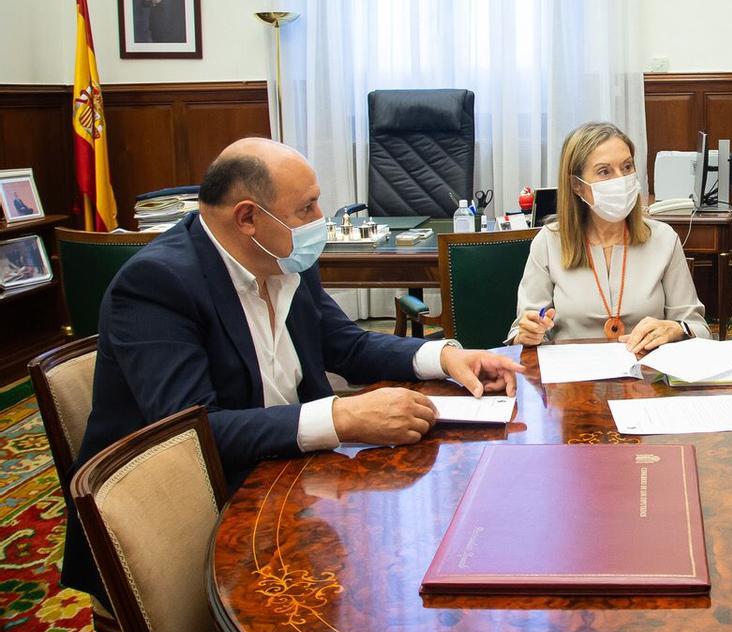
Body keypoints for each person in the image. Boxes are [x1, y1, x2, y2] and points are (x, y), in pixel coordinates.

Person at [61, 137, 524, 603]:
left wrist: (443, 357)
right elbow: (191, 432)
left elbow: (345, 345)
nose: (321, 219)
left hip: (284, 473)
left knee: (440, 527)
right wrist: (340, 417)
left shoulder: (281, 257)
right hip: (186, 508)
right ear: (248, 219)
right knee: (381, 577)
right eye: (306, 208)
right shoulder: (157, 284)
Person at [507, 122, 710, 353]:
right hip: (572, 380)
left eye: (627, 167)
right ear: (577, 186)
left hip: (647, 376)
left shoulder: (663, 239)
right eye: (605, 171)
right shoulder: (549, 242)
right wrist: (530, 332)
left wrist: (676, 329)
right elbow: (520, 330)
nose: (620, 179)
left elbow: (698, 328)